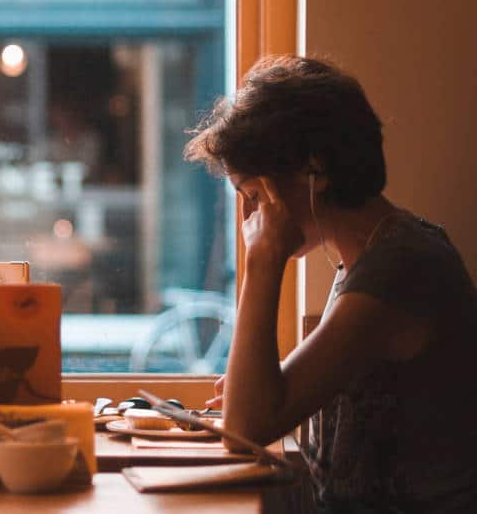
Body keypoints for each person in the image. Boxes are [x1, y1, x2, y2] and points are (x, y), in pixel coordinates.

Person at [185, 55, 477, 512]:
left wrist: (264, 259)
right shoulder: (370, 258)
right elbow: (261, 405)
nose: (249, 220)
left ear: (313, 170)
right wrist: (254, 383)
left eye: (253, 195)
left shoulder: (400, 267)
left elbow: (245, 427)